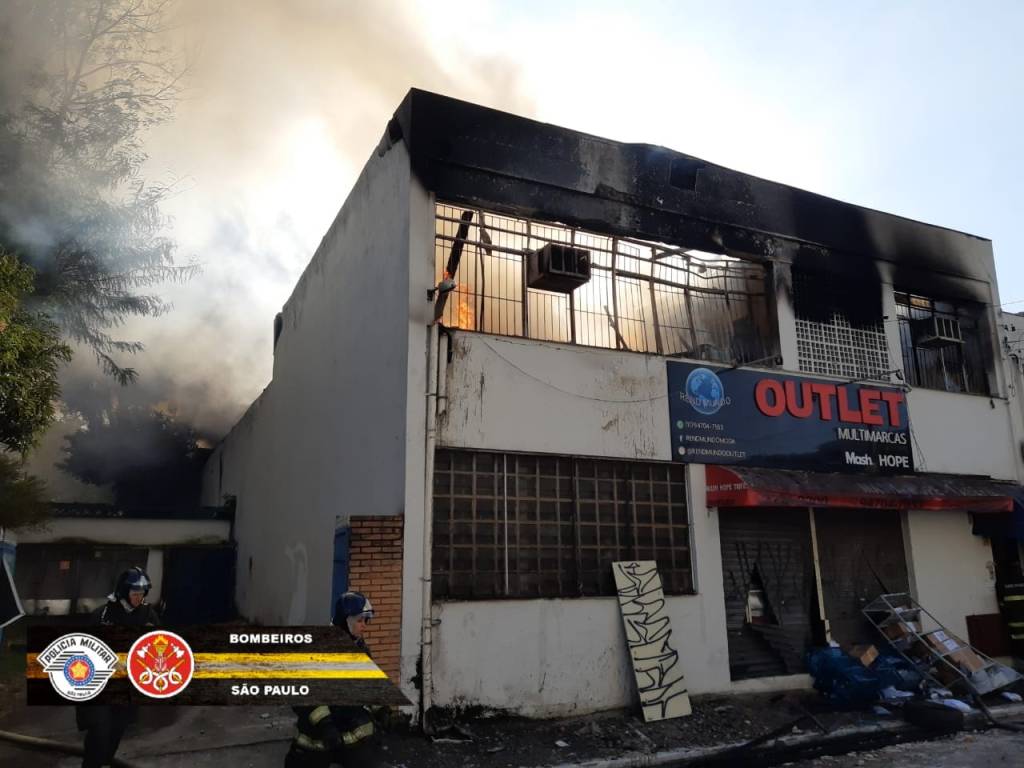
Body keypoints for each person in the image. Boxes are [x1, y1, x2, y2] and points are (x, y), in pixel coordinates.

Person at [285, 591, 388, 768]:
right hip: (317, 735)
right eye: (360, 620)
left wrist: (381, 708)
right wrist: (325, 725)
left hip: (346, 730)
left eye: (366, 621)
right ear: (346, 621)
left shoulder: (359, 648)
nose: (364, 626)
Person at [77, 566, 160, 767]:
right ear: (123, 592)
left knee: (117, 729)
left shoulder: (149, 616)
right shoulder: (103, 615)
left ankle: (104, 761)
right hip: (100, 686)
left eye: (142, 593)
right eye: (134, 593)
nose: (138, 598)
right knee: (99, 729)